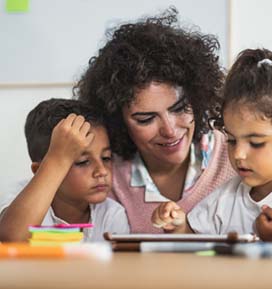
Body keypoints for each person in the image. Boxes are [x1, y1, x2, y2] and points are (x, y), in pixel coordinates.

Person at [74, 7, 235, 233]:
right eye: (146, 119)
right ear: (118, 121)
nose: (169, 130)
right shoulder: (104, 174)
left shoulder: (237, 153)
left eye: (180, 108)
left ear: (198, 99)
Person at [151, 48, 272, 240]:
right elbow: (195, 241)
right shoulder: (228, 197)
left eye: (256, 143)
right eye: (232, 140)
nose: (238, 154)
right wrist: (179, 226)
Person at [0, 99, 130, 242]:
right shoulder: (17, 198)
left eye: (106, 158)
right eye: (83, 162)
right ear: (41, 171)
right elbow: (12, 239)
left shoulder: (111, 214)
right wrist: (56, 159)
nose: (102, 171)